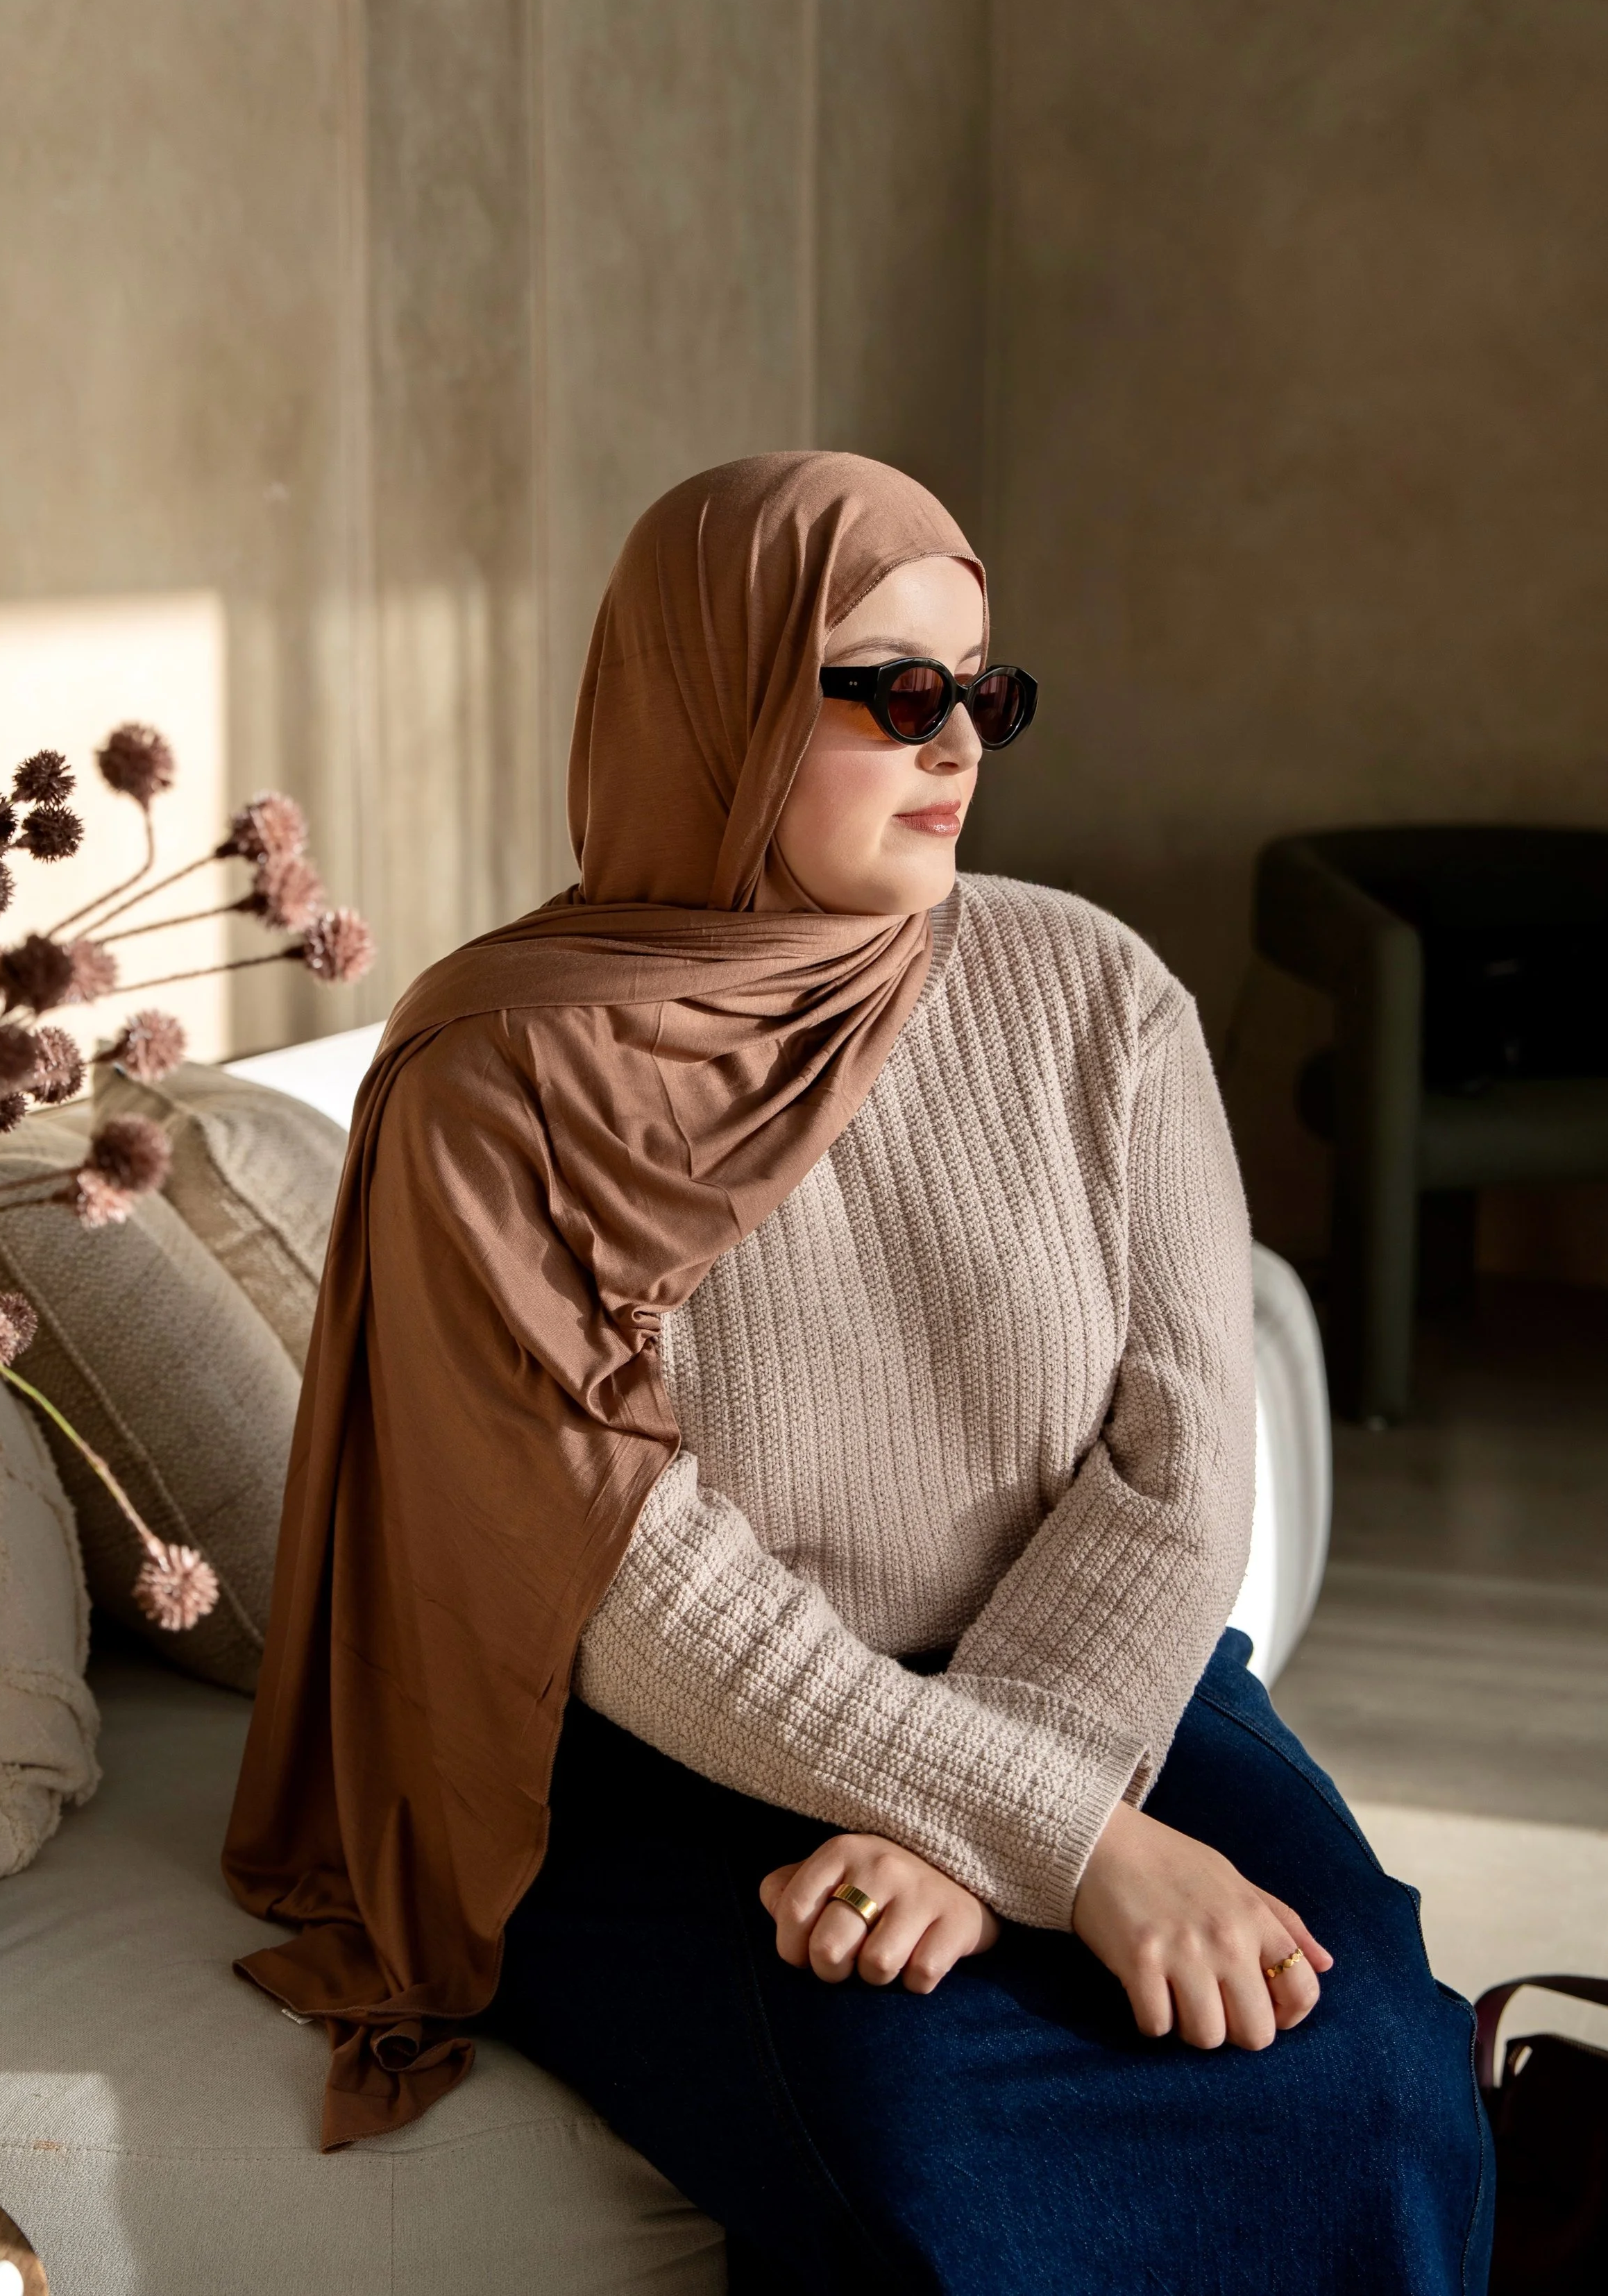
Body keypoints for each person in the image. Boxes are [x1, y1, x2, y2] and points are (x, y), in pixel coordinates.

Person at [226, 452, 1491, 2294]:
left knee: (1375, 2080)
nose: (958, 744)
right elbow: (627, 1585)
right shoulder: (490, 1081)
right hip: (674, 1761)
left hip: (1099, 1678)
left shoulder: (1096, 994)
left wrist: (999, 1836)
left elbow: (1173, 1472)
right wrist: (1064, 1843)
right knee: (933, 2141)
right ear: (715, 695)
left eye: (985, 692)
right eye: (896, 693)